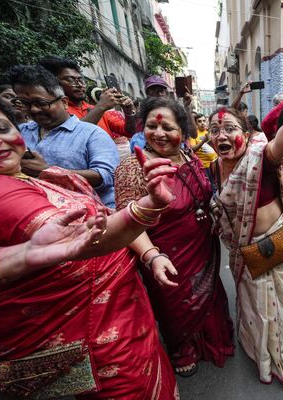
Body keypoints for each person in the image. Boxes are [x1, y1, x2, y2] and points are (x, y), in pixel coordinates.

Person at [0, 80, 180, 398]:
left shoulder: (23, 175)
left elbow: (101, 216)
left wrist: (150, 253)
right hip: (91, 346)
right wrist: (146, 209)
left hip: (116, 323)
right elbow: (90, 236)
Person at [209, 76, 283, 385]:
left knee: (276, 304)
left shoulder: (259, 155)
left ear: (246, 134)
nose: (221, 135)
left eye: (229, 129)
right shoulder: (213, 166)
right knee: (252, 305)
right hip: (241, 248)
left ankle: (277, 355)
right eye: (214, 130)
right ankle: (256, 349)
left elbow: (279, 146)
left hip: (271, 241)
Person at [114, 97, 234, 377]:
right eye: (151, 127)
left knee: (209, 294)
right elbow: (128, 222)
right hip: (167, 253)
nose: (159, 134)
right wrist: (152, 256)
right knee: (175, 304)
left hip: (204, 246)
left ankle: (209, 340)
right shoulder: (133, 168)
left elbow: (203, 195)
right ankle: (182, 348)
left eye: (167, 127)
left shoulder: (189, 156)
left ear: (182, 129)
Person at [10, 65, 120, 208]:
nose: (33, 109)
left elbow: (107, 176)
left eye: (41, 103)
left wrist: (48, 172)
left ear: (64, 102)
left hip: (90, 217)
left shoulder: (92, 134)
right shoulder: (18, 132)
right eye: (25, 103)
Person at [37, 56, 137, 139]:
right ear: (53, 82)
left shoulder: (96, 109)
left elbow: (130, 132)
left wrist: (129, 112)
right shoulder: (51, 111)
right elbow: (71, 137)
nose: (80, 84)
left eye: (81, 80)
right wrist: (101, 106)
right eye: (71, 80)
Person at [188, 113, 217, 184]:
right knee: (209, 187)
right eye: (199, 121)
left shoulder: (209, 132)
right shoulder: (194, 135)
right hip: (204, 167)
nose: (202, 123)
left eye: (204, 121)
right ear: (195, 123)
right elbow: (192, 150)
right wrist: (203, 141)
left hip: (215, 165)